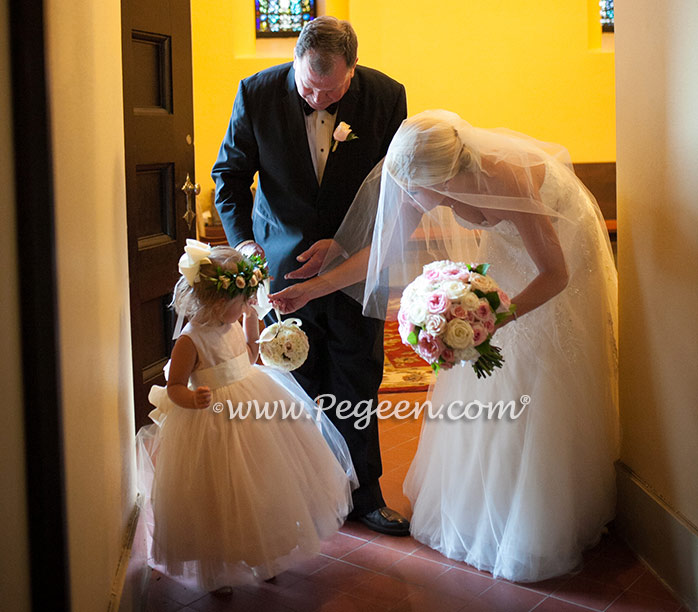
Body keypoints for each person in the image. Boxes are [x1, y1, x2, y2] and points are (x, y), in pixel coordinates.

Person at [270, 110, 619, 582]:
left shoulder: (507, 179)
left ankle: (535, 516)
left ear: (447, 178)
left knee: (537, 369)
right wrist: (316, 287)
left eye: (414, 192)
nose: (409, 199)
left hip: (557, 257)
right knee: (486, 378)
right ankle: (478, 505)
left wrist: (495, 318)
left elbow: (556, 274)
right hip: (508, 261)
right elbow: (385, 248)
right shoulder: (423, 176)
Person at [211, 16, 409, 535]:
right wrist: (245, 245)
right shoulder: (256, 93)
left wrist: (344, 247)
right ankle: (299, 494)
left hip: (356, 267)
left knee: (358, 376)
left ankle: (365, 495)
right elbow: (228, 177)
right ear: (295, 64)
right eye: (308, 86)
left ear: (354, 70)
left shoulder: (388, 96)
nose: (318, 99)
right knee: (291, 382)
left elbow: (396, 189)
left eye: (332, 89)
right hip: (282, 266)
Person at [135, 241, 357, 591]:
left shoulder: (234, 321)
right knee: (219, 493)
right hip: (211, 421)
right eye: (241, 302)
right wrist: (192, 399)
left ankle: (262, 551)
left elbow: (250, 356)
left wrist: (254, 327)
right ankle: (217, 564)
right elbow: (175, 385)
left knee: (262, 483)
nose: (246, 307)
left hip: (253, 407)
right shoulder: (190, 341)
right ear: (214, 300)